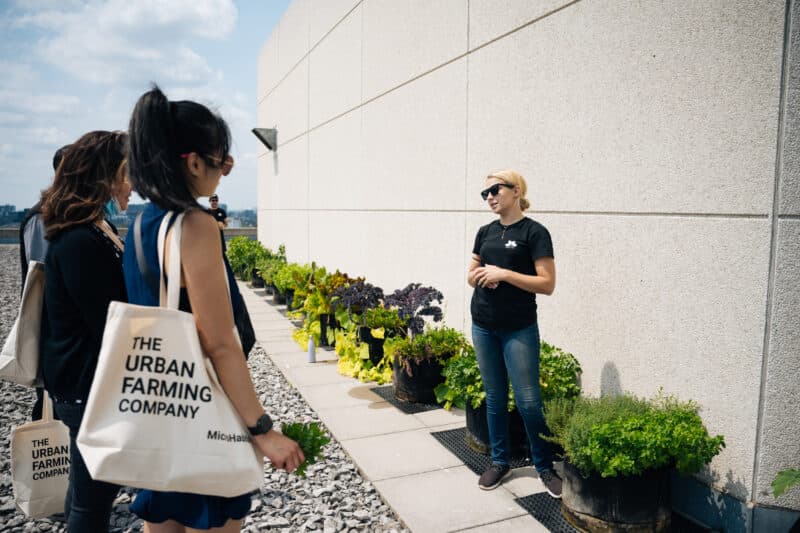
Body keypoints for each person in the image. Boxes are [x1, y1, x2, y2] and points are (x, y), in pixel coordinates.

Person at [124, 85, 303, 533]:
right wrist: (262, 429)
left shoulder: (142, 222)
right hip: (202, 408)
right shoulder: (197, 225)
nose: (225, 170)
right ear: (193, 161)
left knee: (162, 517)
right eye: (221, 159)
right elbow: (219, 341)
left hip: (160, 407)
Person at [39, 130, 129, 531]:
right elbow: (107, 318)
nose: (133, 184)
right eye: (127, 173)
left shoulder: (92, 228)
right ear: (103, 177)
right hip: (87, 386)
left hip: (83, 382)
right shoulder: (80, 239)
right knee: (93, 503)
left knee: (87, 493)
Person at [467, 169, 562, 497]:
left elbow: (546, 284)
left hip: (518, 328)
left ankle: (544, 466)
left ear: (516, 190)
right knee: (494, 397)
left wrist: (505, 274)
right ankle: (499, 461)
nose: (489, 197)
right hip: (483, 324)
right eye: (485, 194)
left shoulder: (535, 233)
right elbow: (470, 274)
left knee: (529, 400)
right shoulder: (484, 232)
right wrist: (482, 276)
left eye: (495, 190)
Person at [19, 143, 71, 422]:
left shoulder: (62, 213)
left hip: (60, 333)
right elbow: (39, 276)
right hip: (51, 331)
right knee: (50, 407)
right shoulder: (43, 216)